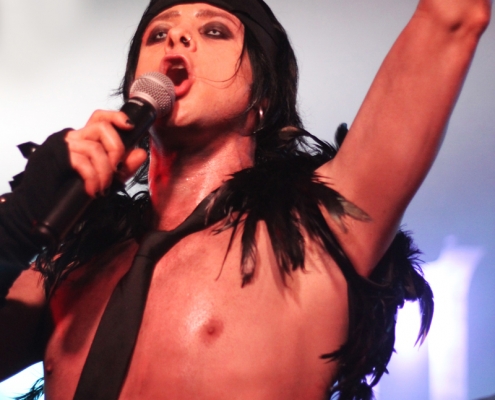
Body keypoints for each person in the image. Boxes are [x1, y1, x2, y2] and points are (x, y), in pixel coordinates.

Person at [0, 0, 491, 399]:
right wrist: (20, 223)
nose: (176, 37)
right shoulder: (71, 266)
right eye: (157, 33)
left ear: (262, 99)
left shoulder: (318, 228)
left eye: (214, 30)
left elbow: (452, 17)